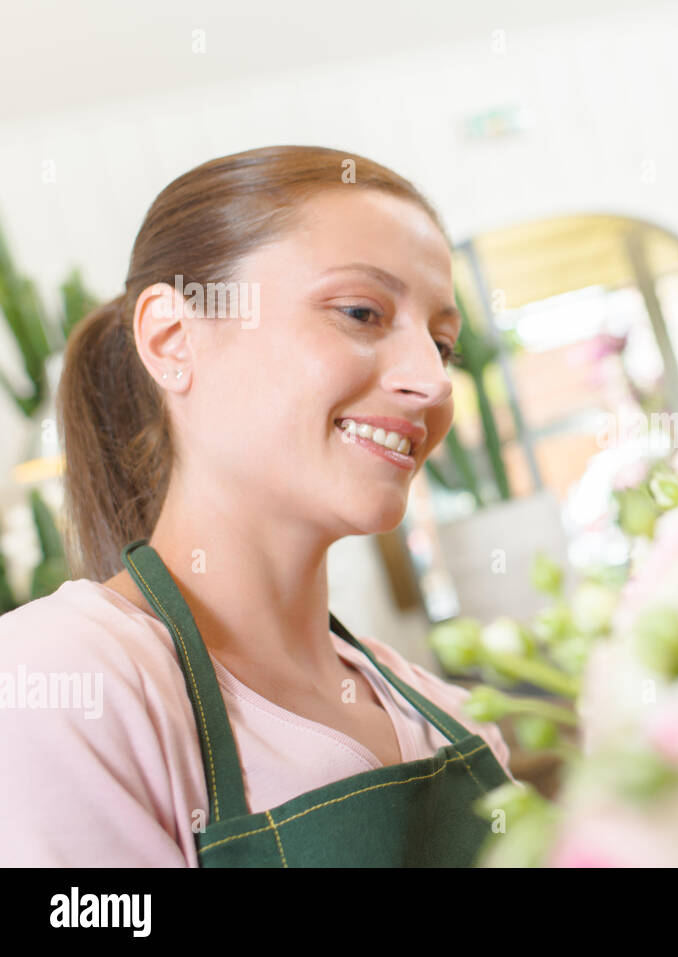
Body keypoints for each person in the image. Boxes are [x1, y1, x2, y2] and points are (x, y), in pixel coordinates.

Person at [0, 145, 516, 866]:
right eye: (361, 312)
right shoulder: (65, 682)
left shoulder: (449, 718)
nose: (430, 382)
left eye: (442, 344)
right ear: (171, 338)